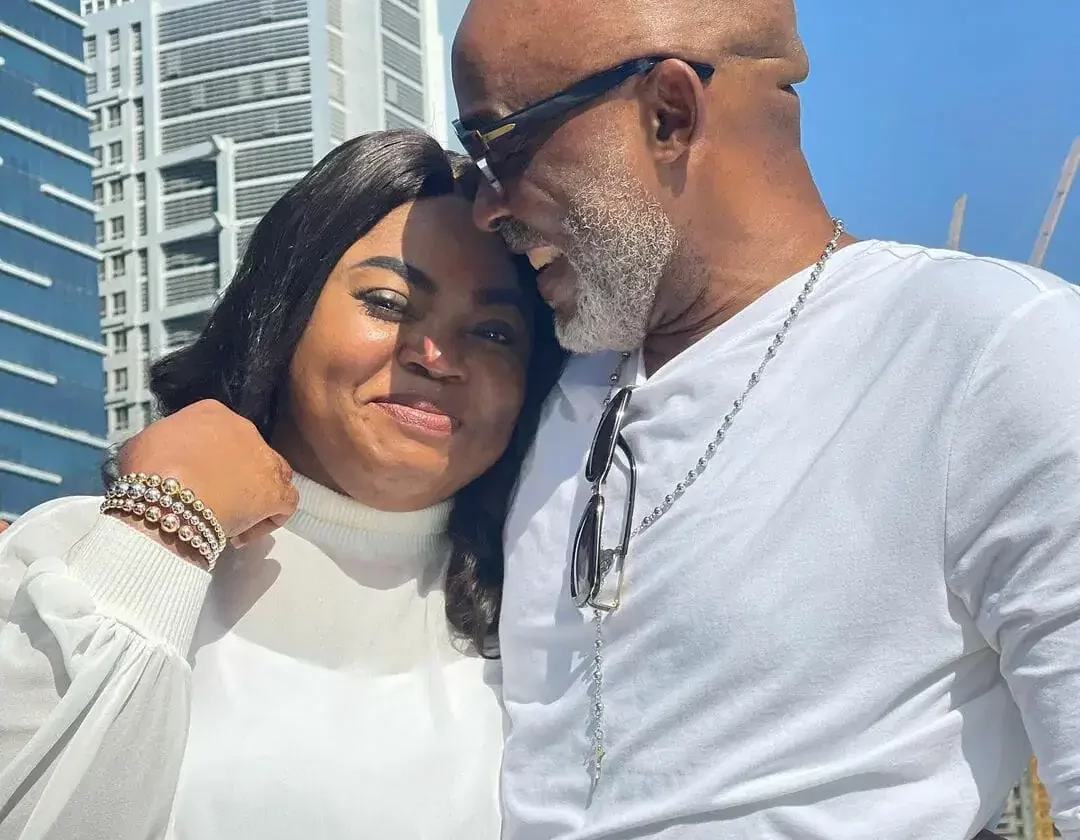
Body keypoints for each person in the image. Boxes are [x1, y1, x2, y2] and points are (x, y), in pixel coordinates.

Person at [449, 2, 1080, 839]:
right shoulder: (530, 386)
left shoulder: (991, 352)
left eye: (500, 148)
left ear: (670, 114)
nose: (485, 208)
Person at [0, 130, 564, 839]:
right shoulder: (69, 553)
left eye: (494, 332)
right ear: (286, 308)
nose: (437, 355)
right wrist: (162, 528)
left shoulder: (551, 625)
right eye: (389, 303)